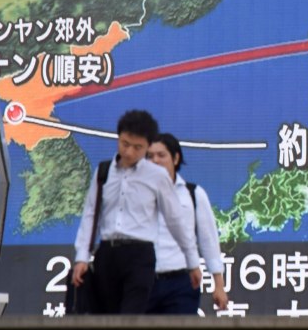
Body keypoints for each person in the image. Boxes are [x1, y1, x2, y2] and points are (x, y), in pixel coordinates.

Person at [71, 110, 202, 314]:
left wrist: (192, 262)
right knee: (107, 319)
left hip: (140, 256)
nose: (130, 152)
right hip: (107, 253)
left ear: (148, 146)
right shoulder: (104, 171)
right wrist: (81, 257)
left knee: (131, 317)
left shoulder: (157, 176)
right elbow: (90, 216)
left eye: (138, 147)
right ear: (118, 138)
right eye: (125, 144)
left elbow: (175, 220)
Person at [145, 133, 229, 314]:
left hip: (181, 282)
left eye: (161, 155)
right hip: (142, 282)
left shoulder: (193, 194)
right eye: (150, 157)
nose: (155, 161)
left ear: (175, 158)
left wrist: (219, 285)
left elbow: (208, 241)